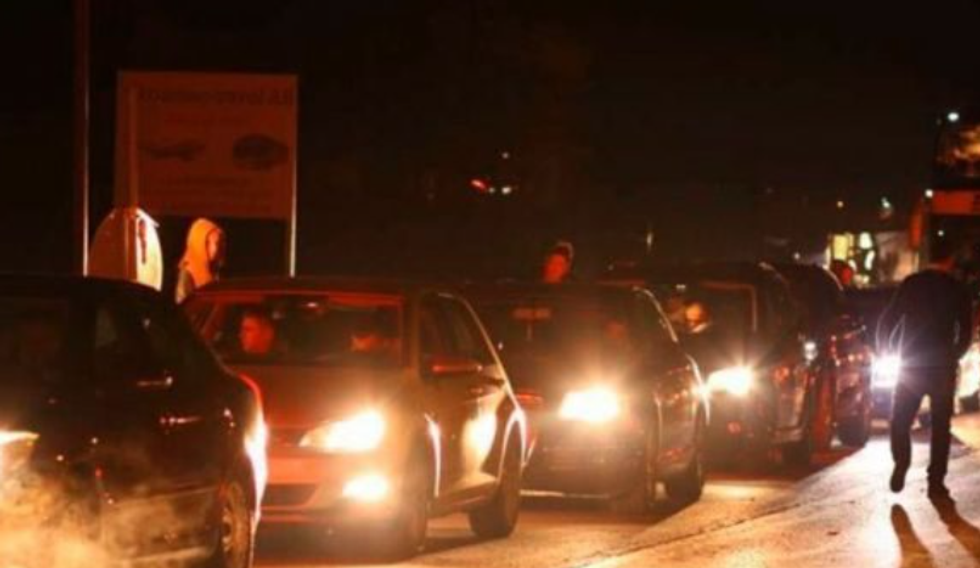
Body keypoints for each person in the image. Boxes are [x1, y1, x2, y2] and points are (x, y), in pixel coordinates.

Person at [877, 241, 973, 501]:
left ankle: (902, 462)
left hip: (911, 365)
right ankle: (936, 482)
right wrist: (953, 355)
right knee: (941, 427)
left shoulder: (912, 284)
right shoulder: (957, 289)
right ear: (951, 259)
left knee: (900, 420)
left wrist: (886, 348)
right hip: (942, 367)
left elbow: (888, 320)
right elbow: (966, 332)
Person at [175, 218, 225, 304]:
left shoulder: (213, 270)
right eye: (216, 243)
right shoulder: (187, 273)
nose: (217, 248)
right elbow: (183, 305)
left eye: (220, 243)